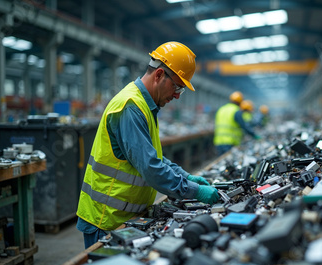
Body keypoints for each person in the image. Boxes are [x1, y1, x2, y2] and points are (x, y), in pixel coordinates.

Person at [76, 42, 219, 248]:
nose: (178, 94)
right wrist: (195, 191)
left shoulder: (145, 106)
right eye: (177, 86)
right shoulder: (131, 107)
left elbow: (153, 156)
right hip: (105, 221)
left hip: (122, 218)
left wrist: (184, 176)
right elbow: (151, 168)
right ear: (159, 75)